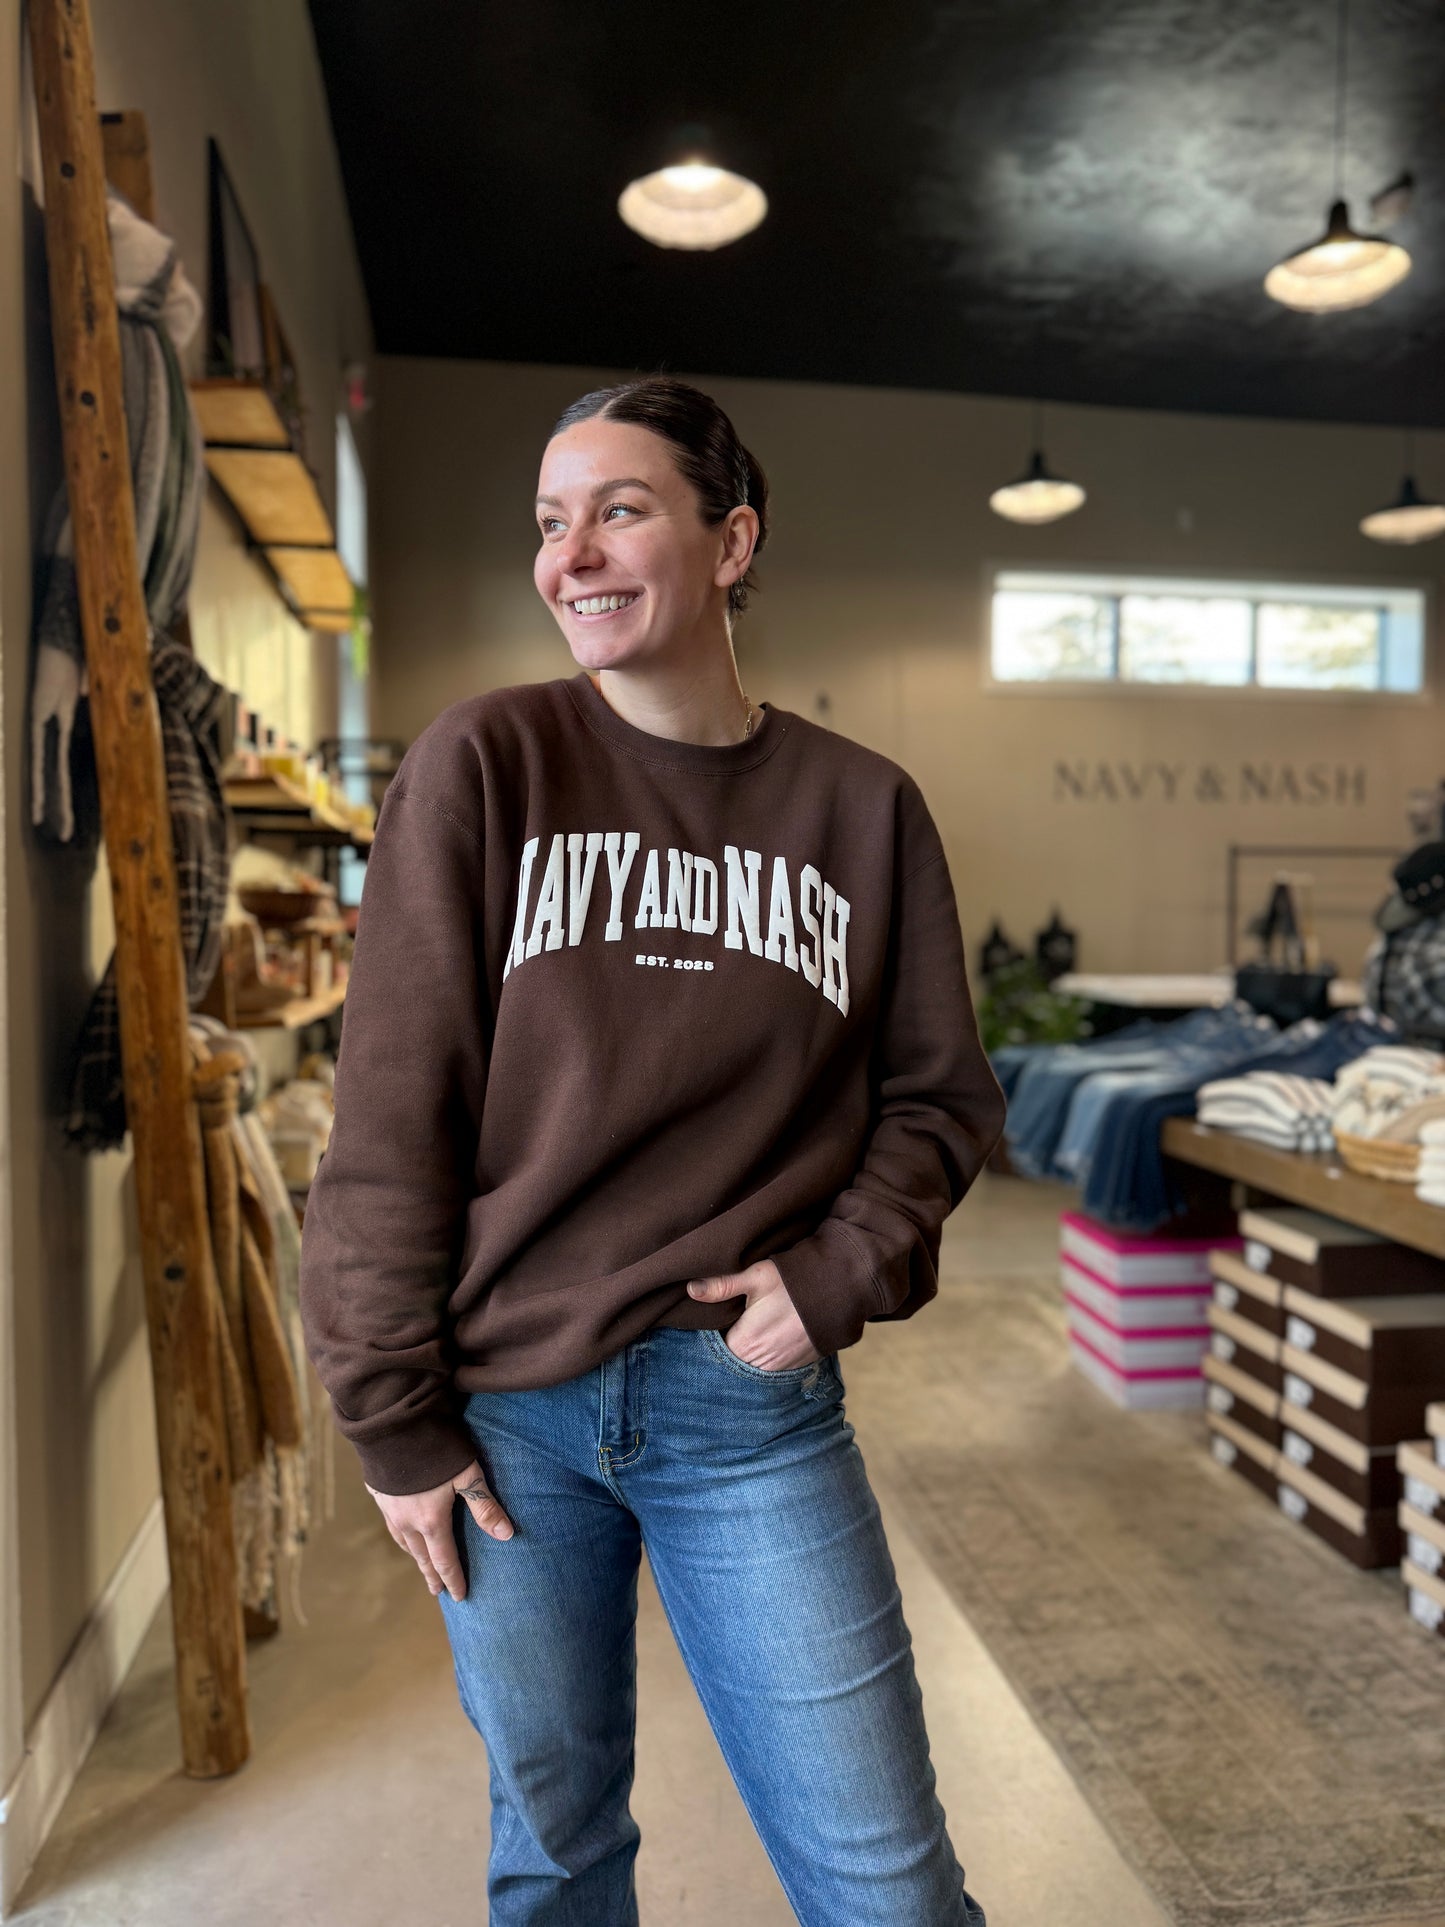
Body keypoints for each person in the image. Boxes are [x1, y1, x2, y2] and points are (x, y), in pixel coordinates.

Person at [298, 375, 1007, 1925]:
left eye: (619, 509)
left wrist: (828, 1277)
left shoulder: (861, 810)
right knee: (552, 1861)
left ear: (730, 539)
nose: (573, 556)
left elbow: (938, 1099)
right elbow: (391, 1115)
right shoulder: (485, 766)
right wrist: (390, 1414)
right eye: (552, 524)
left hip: (743, 1408)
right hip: (506, 1427)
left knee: (886, 1884)